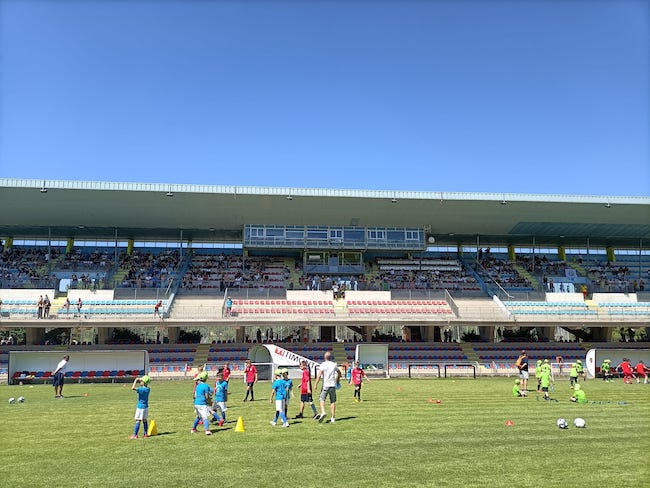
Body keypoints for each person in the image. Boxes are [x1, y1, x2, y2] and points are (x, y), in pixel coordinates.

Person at [314, 351, 341, 423]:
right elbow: (339, 372)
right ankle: (333, 417)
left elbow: (319, 375)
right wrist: (337, 380)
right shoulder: (334, 364)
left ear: (324, 357)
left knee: (321, 399)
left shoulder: (323, 365)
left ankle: (323, 412)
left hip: (325, 385)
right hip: (332, 385)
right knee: (333, 401)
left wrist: (315, 384)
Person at [130, 375, 151, 439]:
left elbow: (133, 388)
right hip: (146, 407)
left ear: (143, 382)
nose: (140, 382)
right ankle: (145, 434)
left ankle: (135, 435)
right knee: (145, 420)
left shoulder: (141, 389)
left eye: (141, 381)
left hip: (140, 407)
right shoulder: (148, 389)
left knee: (138, 420)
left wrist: (135, 380)